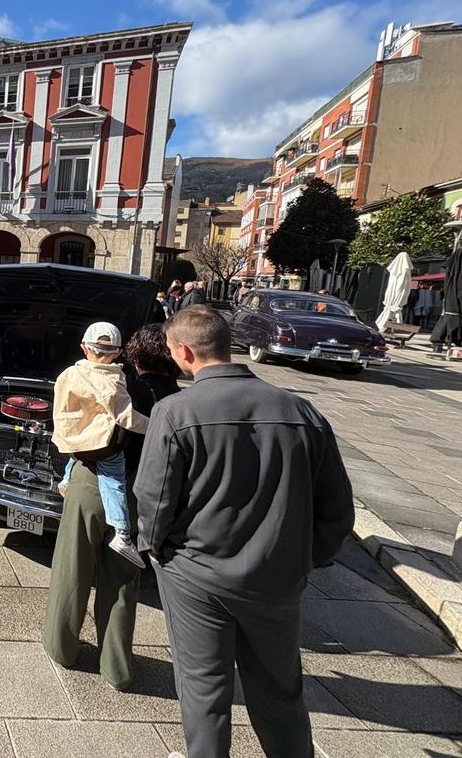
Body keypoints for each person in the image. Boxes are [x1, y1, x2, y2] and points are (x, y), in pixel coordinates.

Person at [135, 306, 354, 758]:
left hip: (196, 573)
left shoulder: (174, 412)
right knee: (280, 688)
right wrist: (306, 558)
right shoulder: (301, 411)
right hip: (278, 575)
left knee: (203, 688)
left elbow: (153, 499)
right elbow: (337, 509)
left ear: (183, 351)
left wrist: (154, 551)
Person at [52, 321, 149, 567]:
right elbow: (126, 417)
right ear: (117, 352)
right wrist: (157, 424)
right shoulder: (112, 381)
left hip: (75, 438)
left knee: (76, 456)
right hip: (101, 444)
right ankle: (122, 533)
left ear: (84, 347)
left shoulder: (69, 374)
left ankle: (65, 480)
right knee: (114, 480)